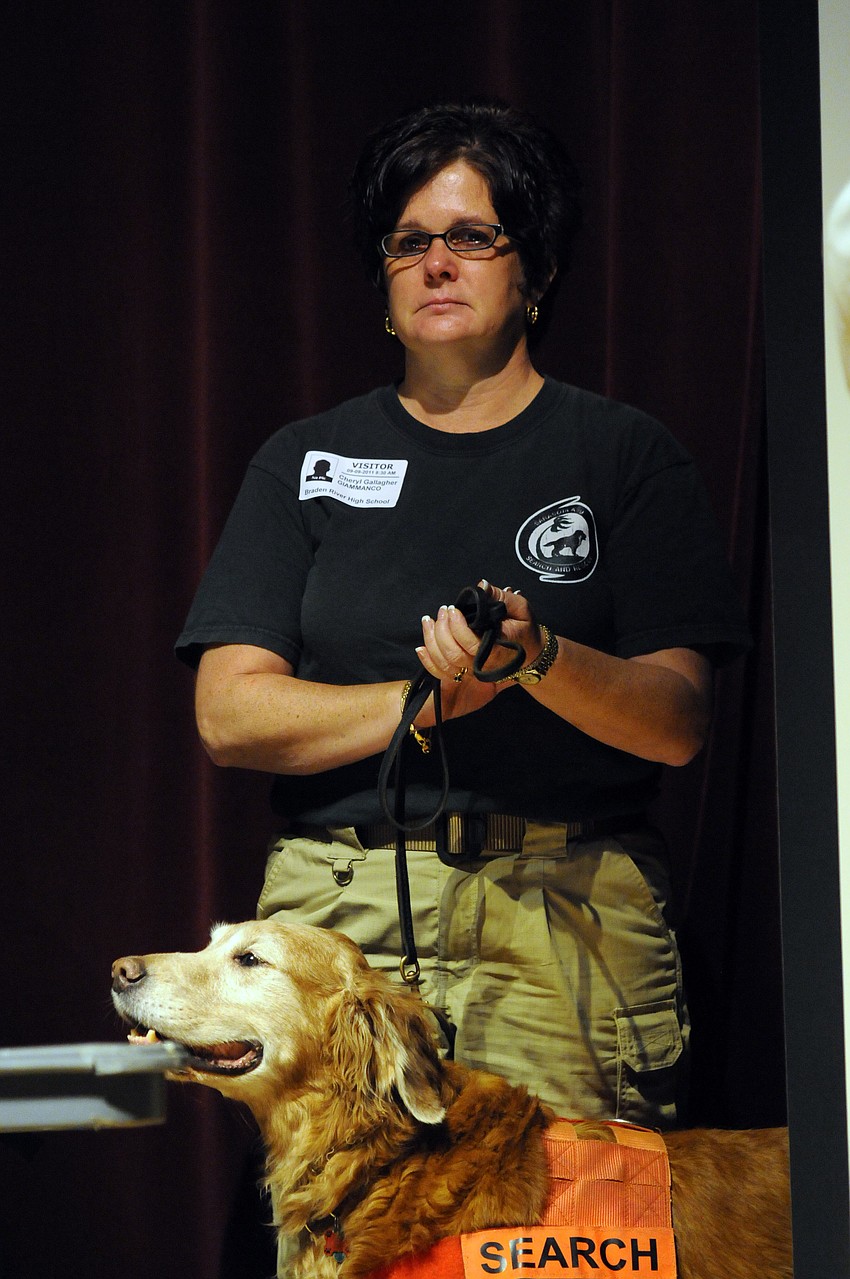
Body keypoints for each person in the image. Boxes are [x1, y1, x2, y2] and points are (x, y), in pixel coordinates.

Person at [176, 101, 750, 1133]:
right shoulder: (302, 460)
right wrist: (425, 701)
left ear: (535, 271)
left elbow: (676, 721)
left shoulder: (624, 455)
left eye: (473, 236)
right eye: (409, 243)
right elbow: (231, 716)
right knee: (356, 1229)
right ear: (384, 286)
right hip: (339, 920)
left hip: (561, 914)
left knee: (561, 1228)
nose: (438, 262)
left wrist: (539, 658)